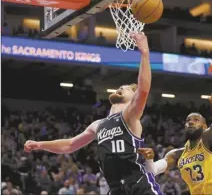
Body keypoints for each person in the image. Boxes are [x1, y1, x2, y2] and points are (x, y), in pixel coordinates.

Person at [24, 32, 164, 195]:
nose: (121, 87)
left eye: (126, 88)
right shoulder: (98, 125)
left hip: (138, 185)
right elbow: (69, 145)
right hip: (116, 189)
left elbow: (144, 89)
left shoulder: (129, 116)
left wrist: (145, 54)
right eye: (121, 86)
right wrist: (40, 145)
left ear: (133, 98)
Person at [138, 92, 212, 195]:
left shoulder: (209, 141)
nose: (191, 122)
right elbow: (153, 170)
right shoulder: (177, 154)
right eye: (188, 120)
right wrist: (149, 160)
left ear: (205, 127)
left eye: (196, 120)